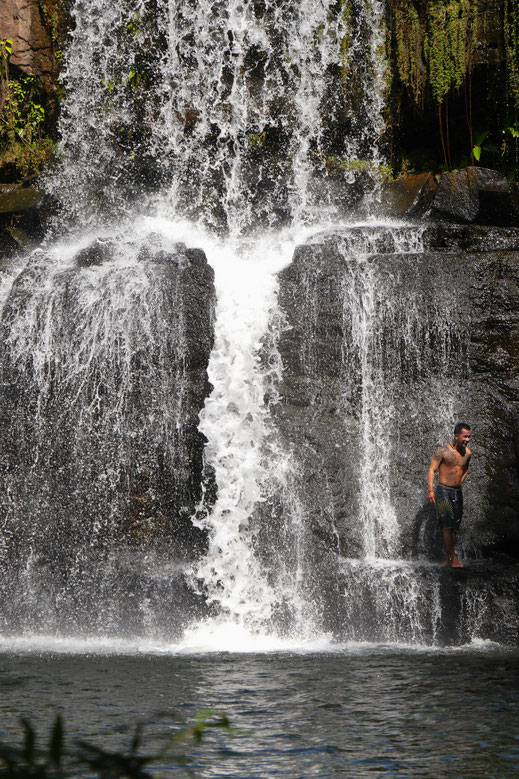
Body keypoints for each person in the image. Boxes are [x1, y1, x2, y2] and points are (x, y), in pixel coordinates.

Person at [427, 423, 471, 567]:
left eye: (469, 437)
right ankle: (453, 557)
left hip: (457, 492)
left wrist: (460, 482)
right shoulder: (443, 452)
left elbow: (465, 470)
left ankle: (448, 558)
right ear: (456, 436)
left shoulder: (468, 453)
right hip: (443, 490)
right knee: (447, 525)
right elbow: (432, 469)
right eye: (465, 436)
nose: (467, 439)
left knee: (454, 526)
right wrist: (430, 489)